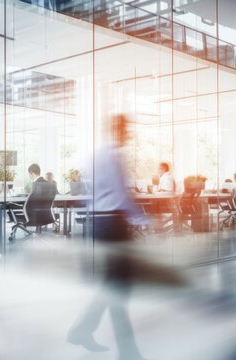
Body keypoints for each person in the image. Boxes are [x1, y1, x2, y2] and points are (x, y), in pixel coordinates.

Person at [67, 114, 147, 358]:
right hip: (114, 222)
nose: (128, 134)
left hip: (98, 223)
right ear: (118, 130)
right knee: (119, 285)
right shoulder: (115, 155)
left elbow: (87, 194)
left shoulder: (93, 155)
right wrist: (141, 218)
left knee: (114, 283)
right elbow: (122, 193)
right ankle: (127, 351)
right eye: (126, 129)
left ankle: (83, 330)